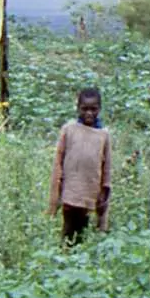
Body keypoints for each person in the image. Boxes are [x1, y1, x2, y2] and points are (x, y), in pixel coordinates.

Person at [47, 87, 112, 244]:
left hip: (90, 192)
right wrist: (57, 191)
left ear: (100, 109)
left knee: (83, 229)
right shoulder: (69, 130)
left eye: (93, 109)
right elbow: (58, 160)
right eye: (84, 109)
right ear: (78, 108)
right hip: (70, 190)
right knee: (68, 228)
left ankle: (78, 258)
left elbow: (107, 166)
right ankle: (65, 256)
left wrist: (105, 190)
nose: (89, 113)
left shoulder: (103, 135)